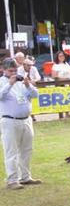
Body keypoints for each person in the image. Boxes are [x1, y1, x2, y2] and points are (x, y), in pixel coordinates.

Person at [1, 58, 40, 190]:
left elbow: (35, 94)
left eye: (15, 70)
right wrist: (9, 84)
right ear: (3, 70)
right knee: (11, 150)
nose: (13, 73)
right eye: (10, 70)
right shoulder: (2, 82)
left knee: (27, 149)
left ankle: (25, 176)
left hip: (26, 119)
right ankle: (12, 179)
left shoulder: (22, 80)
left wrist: (28, 85)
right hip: (10, 120)